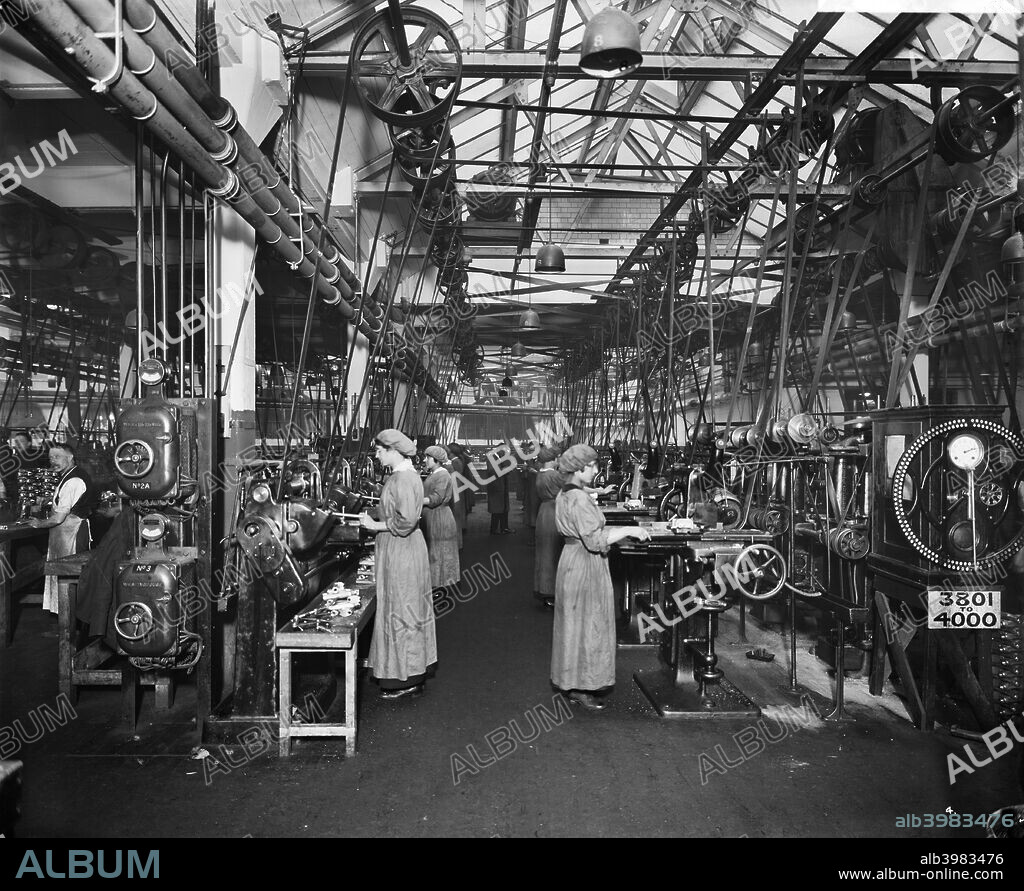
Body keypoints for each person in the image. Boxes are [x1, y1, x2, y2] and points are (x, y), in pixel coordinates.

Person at [551, 444, 650, 710]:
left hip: (571, 561)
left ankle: (572, 681)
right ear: (579, 468)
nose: (596, 470)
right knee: (590, 624)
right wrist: (631, 530)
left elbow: (588, 529)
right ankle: (584, 687)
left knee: (574, 626)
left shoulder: (567, 493)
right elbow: (595, 541)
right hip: (586, 566)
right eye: (593, 465)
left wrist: (616, 528)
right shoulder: (580, 499)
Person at [359, 429, 436, 699]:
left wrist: (373, 525)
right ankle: (406, 671)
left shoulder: (403, 479)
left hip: (402, 549)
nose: (377, 455)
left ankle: (406, 677)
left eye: (380, 451)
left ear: (393, 451)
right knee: (403, 608)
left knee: (401, 610)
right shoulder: (404, 476)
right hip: (402, 549)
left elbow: (404, 522)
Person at [28, 442, 99, 615]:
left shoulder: (74, 480)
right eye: (51, 457)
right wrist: (49, 500)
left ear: (70, 457)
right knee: (63, 577)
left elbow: (59, 517)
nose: (53, 461)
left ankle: (72, 621)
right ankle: (67, 617)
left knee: (69, 577)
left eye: (58, 457)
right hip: (64, 535)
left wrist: (39, 524)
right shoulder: (69, 476)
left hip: (71, 534)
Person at [421, 445, 460, 600]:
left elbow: (436, 498)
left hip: (440, 519)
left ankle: (440, 593)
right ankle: (437, 588)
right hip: (433, 517)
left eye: (427, 457)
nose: (425, 460)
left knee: (439, 555)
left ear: (435, 460)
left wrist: (416, 500)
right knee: (436, 554)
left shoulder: (442, 475)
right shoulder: (435, 473)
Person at [533, 446, 563, 608]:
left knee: (544, 554)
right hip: (554, 513)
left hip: (543, 513)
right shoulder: (554, 475)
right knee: (554, 554)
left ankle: (544, 590)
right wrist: (598, 491)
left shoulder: (541, 474)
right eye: (557, 458)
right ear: (553, 459)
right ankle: (552, 592)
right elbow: (572, 487)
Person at [445, 442, 467, 545]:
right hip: (457, 488)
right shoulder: (457, 461)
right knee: (456, 514)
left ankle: (457, 542)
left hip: (455, 489)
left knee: (455, 515)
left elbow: (455, 476)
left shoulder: (455, 462)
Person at [487, 459, 512, 534]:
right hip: (496, 488)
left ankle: (503, 528)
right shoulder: (492, 459)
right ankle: (495, 529)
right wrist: (503, 470)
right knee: (497, 509)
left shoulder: (500, 458)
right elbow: (492, 471)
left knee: (502, 508)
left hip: (501, 487)